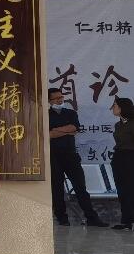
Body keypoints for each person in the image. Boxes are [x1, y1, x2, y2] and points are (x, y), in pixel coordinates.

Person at [47, 88, 105, 227]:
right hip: (53, 156)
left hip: (71, 155)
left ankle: (92, 218)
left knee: (80, 187)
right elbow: (48, 134)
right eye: (56, 98)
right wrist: (66, 131)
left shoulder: (71, 113)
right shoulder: (45, 115)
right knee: (57, 188)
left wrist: (56, 130)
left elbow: (74, 128)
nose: (60, 100)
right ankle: (62, 218)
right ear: (49, 101)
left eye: (61, 97)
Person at [110, 96, 134, 230]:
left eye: (114, 105)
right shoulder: (118, 124)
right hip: (119, 157)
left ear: (122, 108)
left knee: (131, 189)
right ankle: (126, 221)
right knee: (122, 189)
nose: (112, 108)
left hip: (131, 157)